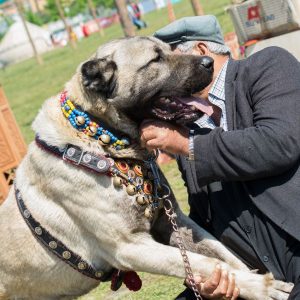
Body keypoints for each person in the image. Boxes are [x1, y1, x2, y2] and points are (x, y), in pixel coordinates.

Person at [140, 15, 300, 299]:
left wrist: (185, 144)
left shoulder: (266, 66)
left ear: (202, 53)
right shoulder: (189, 122)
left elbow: (280, 142)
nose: (163, 76)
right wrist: (204, 276)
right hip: (250, 277)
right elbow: (203, 217)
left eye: (169, 61)